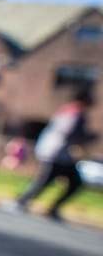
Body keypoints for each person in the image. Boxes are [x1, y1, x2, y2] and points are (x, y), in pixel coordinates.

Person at [11, 86, 95, 221]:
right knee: (45, 180)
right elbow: (69, 132)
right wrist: (88, 137)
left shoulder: (67, 110)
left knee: (72, 182)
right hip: (56, 153)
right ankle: (21, 201)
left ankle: (44, 206)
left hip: (59, 154)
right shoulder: (75, 113)